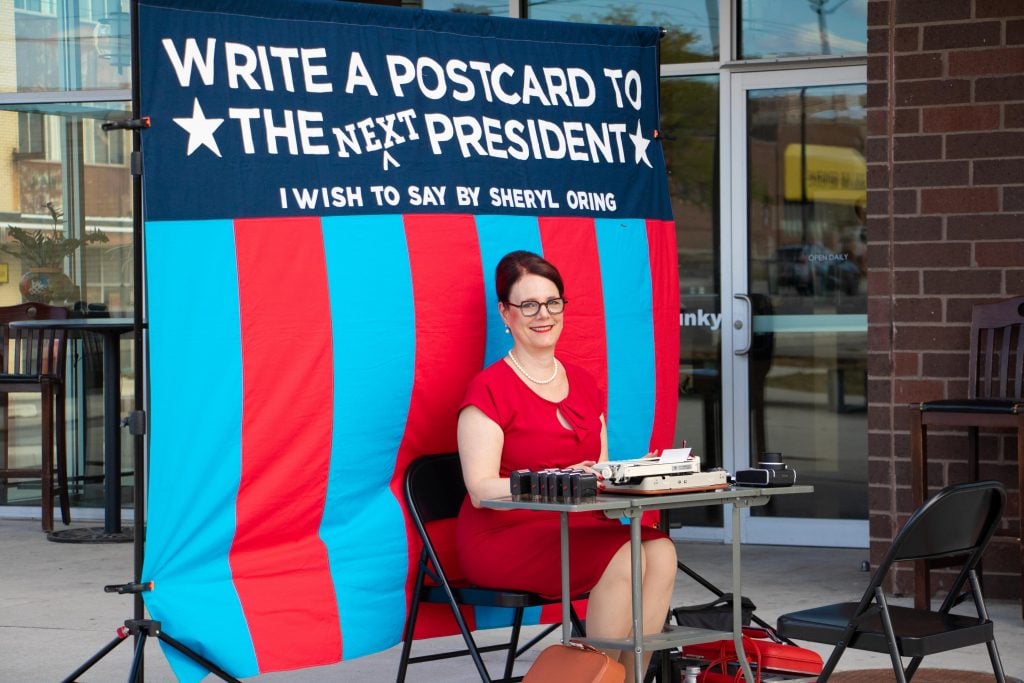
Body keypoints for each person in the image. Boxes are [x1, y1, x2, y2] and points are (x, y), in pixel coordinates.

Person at [456, 250, 678, 682]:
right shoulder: (488, 389)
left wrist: (630, 473)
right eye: (529, 305)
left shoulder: (584, 383)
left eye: (552, 302)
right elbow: (481, 489)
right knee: (624, 552)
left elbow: (597, 469)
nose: (544, 315)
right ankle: (590, 676)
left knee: (660, 549)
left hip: (573, 524)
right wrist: (557, 479)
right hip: (506, 535)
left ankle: (628, 680)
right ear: (505, 312)